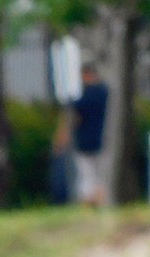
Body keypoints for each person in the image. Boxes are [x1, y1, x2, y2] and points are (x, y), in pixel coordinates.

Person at [54, 62, 109, 207]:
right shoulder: (107, 94)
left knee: (86, 176)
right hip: (105, 141)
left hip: (85, 142)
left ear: (85, 75)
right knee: (101, 176)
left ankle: (89, 202)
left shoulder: (84, 97)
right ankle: (100, 200)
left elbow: (74, 118)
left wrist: (61, 138)